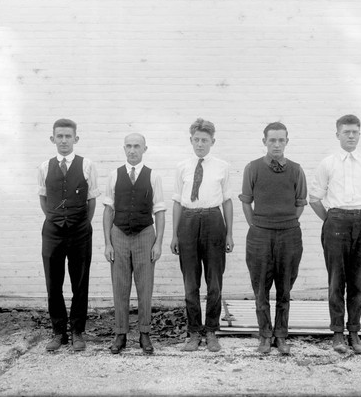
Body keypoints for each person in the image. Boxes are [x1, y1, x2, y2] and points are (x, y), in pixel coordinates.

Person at [309, 114, 361, 354]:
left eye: (355, 132)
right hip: (336, 222)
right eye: (346, 132)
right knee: (336, 280)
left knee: (358, 280)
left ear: (359, 134)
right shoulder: (328, 163)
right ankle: (338, 333)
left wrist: (359, 216)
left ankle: (354, 331)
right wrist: (333, 219)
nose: (351, 136)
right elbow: (315, 199)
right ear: (338, 134)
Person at [239, 122, 307, 355]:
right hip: (260, 235)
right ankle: (265, 336)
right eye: (272, 140)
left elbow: (299, 204)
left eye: (281, 140)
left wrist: (285, 222)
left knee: (285, 288)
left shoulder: (297, 169)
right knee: (261, 288)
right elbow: (246, 201)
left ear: (287, 141)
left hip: (289, 235)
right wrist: (257, 225)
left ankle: (281, 336)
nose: (276, 144)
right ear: (264, 142)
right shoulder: (253, 168)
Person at [170, 118, 234, 352]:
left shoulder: (222, 166)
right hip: (188, 220)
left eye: (204, 140)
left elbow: (227, 201)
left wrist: (229, 234)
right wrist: (175, 235)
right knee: (190, 282)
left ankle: (211, 331)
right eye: (196, 140)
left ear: (212, 141)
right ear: (191, 140)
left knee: (214, 280)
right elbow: (177, 201)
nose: (200, 144)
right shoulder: (182, 167)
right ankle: (194, 331)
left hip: (213, 220)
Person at [38, 118, 100, 352]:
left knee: (79, 282)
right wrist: (55, 218)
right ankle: (58, 332)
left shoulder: (87, 165)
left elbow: (91, 199)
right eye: (59, 136)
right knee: (53, 283)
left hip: (80, 231)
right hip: (52, 231)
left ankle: (77, 331)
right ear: (53, 139)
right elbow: (43, 199)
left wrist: (80, 222)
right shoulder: (44, 167)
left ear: (76, 139)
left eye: (68, 136)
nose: (64, 140)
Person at [103, 133, 166, 355]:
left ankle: (144, 334)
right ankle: (120, 334)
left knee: (145, 287)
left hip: (145, 234)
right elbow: (108, 210)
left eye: (136, 146)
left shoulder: (153, 176)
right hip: (118, 235)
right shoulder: (114, 175)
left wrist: (158, 243)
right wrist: (107, 243)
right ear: (123, 148)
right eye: (128, 146)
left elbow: (159, 211)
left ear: (144, 149)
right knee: (120, 286)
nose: (132, 150)